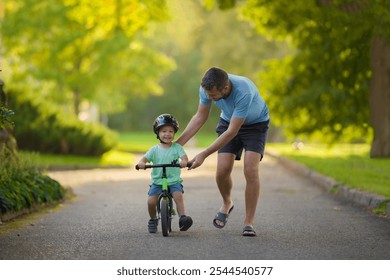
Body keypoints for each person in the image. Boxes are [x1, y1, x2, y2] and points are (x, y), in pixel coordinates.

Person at [176, 67, 269, 237]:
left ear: (225, 88)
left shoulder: (243, 91)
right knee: (222, 171)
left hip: (255, 126)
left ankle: (248, 222)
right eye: (208, 95)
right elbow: (200, 117)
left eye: (212, 96)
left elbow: (233, 131)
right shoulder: (206, 88)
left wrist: (203, 154)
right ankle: (227, 203)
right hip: (228, 121)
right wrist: (177, 145)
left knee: (250, 169)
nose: (209, 98)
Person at [137, 114, 193, 233]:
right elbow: (144, 159)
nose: (167, 134)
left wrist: (184, 161)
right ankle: (153, 219)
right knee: (151, 201)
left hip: (173, 180)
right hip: (158, 181)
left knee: (178, 196)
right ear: (158, 133)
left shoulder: (177, 147)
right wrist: (141, 163)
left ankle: (183, 218)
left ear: (174, 133)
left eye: (170, 131)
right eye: (164, 131)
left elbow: (184, 157)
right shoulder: (154, 149)